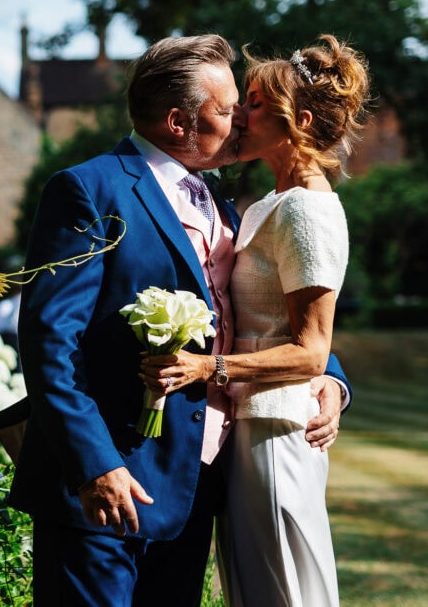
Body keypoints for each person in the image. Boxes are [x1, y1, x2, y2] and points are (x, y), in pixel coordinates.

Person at [6, 33, 350, 606]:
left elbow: (262, 305)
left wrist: (330, 377)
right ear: (177, 122)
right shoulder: (89, 190)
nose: (241, 117)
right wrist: (96, 466)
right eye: (226, 109)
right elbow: (49, 342)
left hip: (196, 486)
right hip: (107, 485)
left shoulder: (220, 199)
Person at [140, 35, 369, 606]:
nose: (241, 114)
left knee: (285, 591)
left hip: (277, 432)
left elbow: (311, 351)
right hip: (244, 429)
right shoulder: (266, 204)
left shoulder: (308, 210)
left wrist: (207, 366)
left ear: (301, 120)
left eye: (258, 104)